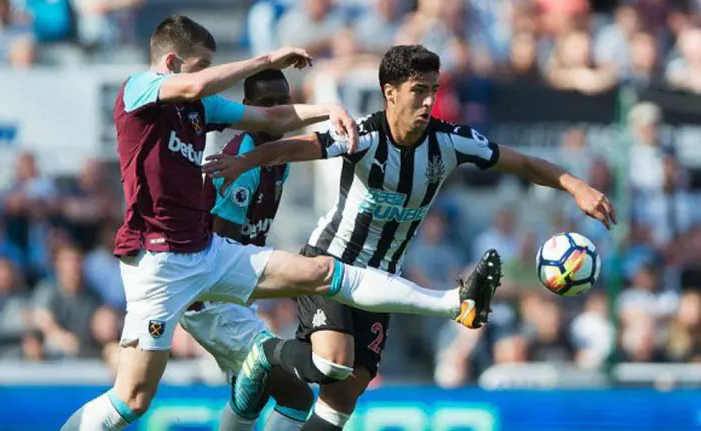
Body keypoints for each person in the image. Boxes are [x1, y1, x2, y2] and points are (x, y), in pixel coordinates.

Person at [60, 18, 503, 431]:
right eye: (202, 65)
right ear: (172, 63)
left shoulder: (201, 109)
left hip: (207, 253)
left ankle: (453, 302)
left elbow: (272, 119)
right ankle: (260, 357)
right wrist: (268, 59)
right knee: (132, 400)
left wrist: (328, 109)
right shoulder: (138, 90)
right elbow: (195, 84)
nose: (207, 76)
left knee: (322, 276)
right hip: (158, 265)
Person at [204, 44, 618, 430]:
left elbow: (519, 161)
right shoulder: (363, 135)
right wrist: (245, 161)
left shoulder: (448, 142)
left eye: (433, 91)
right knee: (333, 363)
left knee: (341, 400)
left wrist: (573, 184)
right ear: (390, 92)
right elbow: (296, 148)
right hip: (329, 265)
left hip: (382, 282)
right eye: (418, 91)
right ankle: (264, 354)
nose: (427, 101)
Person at [178, 69, 314, 431]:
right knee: (297, 394)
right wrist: (290, 282)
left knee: (250, 396)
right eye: (265, 104)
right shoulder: (243, 165)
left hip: (227, 295)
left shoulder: (275, 157)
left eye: (282, 102)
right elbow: (225, 253)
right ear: (247, 108)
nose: (275, 111)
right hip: (210, 295)